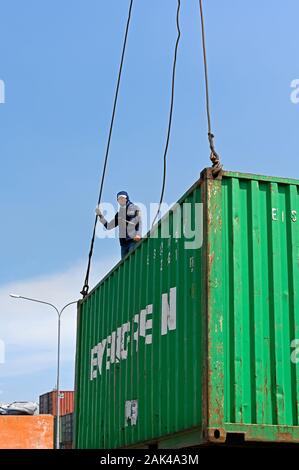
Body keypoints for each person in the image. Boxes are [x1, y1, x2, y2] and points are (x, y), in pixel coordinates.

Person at [96, 191, 142, 259]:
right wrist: (101, 216)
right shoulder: (120, 213)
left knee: (133, 261)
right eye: (119, 199)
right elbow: (109, 226)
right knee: (124, 265)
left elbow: (138, 222)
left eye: (123, 198)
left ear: (127, 199)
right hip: (123, 244)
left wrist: (138, 234)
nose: (121, 200)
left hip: (133, 240)